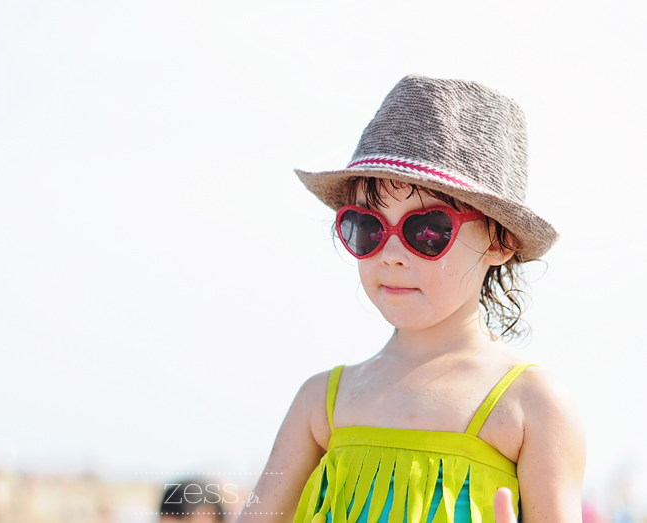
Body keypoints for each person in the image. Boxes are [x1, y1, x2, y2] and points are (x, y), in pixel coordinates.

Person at [236, 75, 585, 523]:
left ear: (500, 242)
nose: (393, 255)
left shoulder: (531, 404)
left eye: (428, 229)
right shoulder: (320, 401)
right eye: (367, 226)